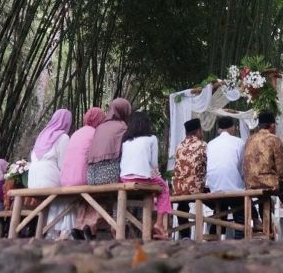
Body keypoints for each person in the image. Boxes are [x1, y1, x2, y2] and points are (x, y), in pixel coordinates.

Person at [79, 98, 132, 239]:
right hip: (109, 175)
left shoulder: (100, 127)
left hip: (91, 176)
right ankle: (118, 228)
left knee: (104, 194)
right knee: (122, 191)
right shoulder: (123, 127)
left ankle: (90, 226)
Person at [243, 111, 283, 236]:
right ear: (272, 125)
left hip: (250, 183)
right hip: (267, 182)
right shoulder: (274, 139)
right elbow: (280, 169)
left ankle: (267, 231)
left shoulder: (249, 140)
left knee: (265, 199)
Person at [120, 111, 172, 240]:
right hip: (141, 177)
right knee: (164, 188)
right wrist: (156, 173)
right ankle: (159, 223)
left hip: (124, 178)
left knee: (154, 185)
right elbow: (154, 163)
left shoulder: (125, 141)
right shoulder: (151, 138)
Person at [60, 107, 106, 241]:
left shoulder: (76, 133)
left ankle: (78, 227)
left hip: (65, 178)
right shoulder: (96, 133)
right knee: (102, 196)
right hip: (82, 178)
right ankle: (90, 227)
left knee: (83, 199)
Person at [28, 108, 73, 239]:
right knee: (69, 192)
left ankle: (51, 231)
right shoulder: (63, 137)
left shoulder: (41, 136)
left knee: (58, 195)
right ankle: (63, 231)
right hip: (48, 179)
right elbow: (63, 165)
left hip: (33, 181)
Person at [206, 116, 246, 239]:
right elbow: (242, 167)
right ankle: (239, 238)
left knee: (220, 209)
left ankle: (214, 238)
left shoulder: (210, 144)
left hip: (214, 187)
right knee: (240, 209)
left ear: (219, 130)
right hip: (233, 188)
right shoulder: (239, 142)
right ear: (233, 128)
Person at [173, 118, 207, 239]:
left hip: (179, 189)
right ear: (198, 131)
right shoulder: (202, 145)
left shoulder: (179, 146)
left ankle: (185, 235)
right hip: (196, 189)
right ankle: (214, 231)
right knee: (219, 202)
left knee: (182, 205)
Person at [61, 107, 106, 187]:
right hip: (82, 180)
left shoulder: (76, 133)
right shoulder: (96, 133)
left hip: (64, 180)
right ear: (100, 120)